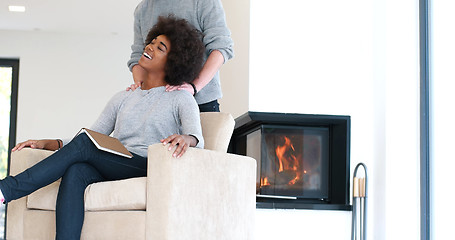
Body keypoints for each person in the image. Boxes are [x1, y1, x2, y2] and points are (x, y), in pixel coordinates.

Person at [0, 16, 205, 240]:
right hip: (117, 163)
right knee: (76, 170)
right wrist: (50, 143)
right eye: (152, 41)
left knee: (86, 147)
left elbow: (197, 139)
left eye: (160, 47)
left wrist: (187, 139)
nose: (150, 47)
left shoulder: (181, 99)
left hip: (149, 165)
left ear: (173, 61)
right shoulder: (123, 97)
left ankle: (7, 189)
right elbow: (89, 138)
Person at [127, 0, 234, 112]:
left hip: (200, 103)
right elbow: (137, 57)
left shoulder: (204, 2)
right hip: (156, 105)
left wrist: (193, 87)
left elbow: (221, 47)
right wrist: (142, 89)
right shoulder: (143, 9)